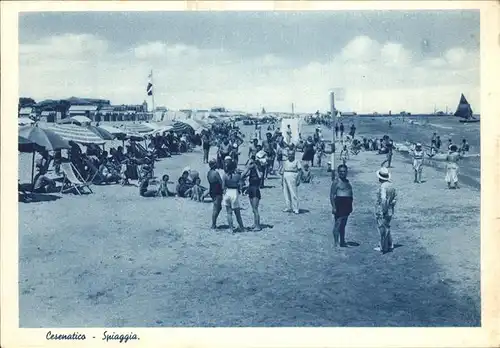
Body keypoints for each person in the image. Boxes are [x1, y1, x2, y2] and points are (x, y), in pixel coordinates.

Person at [374, 167, 397, 254]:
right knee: (387, 226)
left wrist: (384, 209)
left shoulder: (383, 187)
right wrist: (390, 205)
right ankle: (389, 244)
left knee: (382, 229)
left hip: (382, 210)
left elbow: (383, 199)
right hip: (390, 209)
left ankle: (384, 247)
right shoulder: (392, 185)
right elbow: (395, 198)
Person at [330, 164, 353, 248]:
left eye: (344, 171)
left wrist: (351, 205)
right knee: (338, 224)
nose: (342, 173)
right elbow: (332, 195)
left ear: (347, 172)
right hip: (339, 203)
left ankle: (342, 241)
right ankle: (336, 243)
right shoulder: (336, 182)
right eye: (340, 172)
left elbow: (350, 193)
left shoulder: (347, 181)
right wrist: (334, 206)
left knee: (344, 224)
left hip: (347, 204)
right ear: (338, 172)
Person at [221, 159, 246, 232]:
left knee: (229, 213)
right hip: (234, 192)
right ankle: (242, 228)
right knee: (237, 213)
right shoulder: (237, 176)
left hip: (227, 192)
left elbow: (223, 187)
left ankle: (231, 228)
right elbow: (241, 186)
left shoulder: (225, 176)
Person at [241, 158, 262, 231]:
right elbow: (242, 175)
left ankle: (258, 226)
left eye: (251, 163)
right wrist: (247, 168)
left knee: (255, 209)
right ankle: (255, 223)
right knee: (253, 209)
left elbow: (260, 177)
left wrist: (256, 168)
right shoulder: (250, 171)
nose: (250, 165)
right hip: (250, 189)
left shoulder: (258, 171)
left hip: (256, 190)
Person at [280, 149, 302, 214]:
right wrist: (282, 180)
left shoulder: (296, 161)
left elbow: (300, 170)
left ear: (294, 155)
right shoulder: (286, 161)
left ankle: (296, 208)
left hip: (293, 175)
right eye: (289, 154)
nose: (290, 156)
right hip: (285, 175)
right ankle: (288, 207)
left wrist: (298, 179)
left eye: (292, 154)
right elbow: (283, 171)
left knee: (293, 192)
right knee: (286, 192)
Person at [207, 159, 223, 229]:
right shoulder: (216, 173)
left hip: (212, 190)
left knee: (218, 207)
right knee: (216, 208)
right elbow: (221, 182)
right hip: (217, 191)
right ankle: (213, 224)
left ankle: (214, 223)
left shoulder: (209, 173)